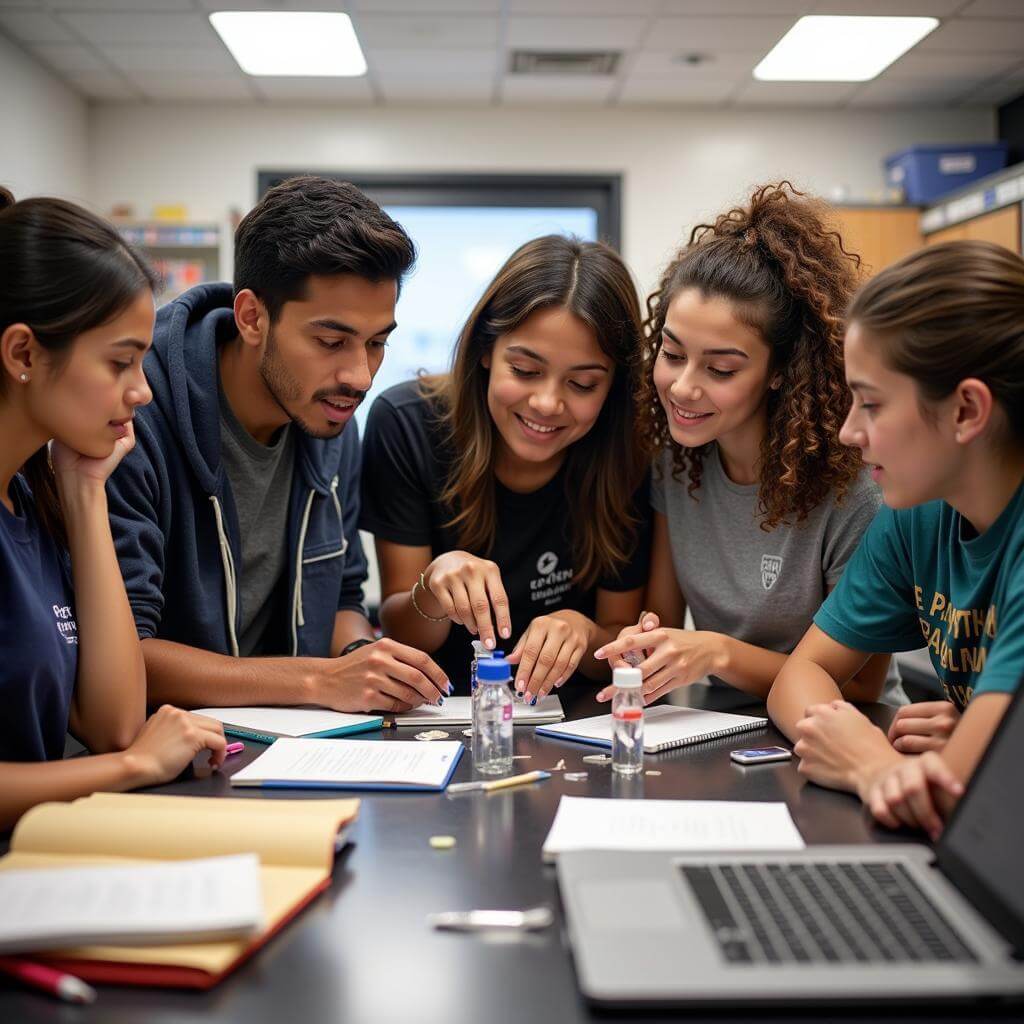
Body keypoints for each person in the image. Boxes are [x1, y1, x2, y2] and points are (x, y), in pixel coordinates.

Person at [106, 176, 449, 714]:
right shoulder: (134, 415)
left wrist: (363, 658)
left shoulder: (333, 418)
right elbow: (122, 654)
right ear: (252, 318)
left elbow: (341, 598)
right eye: (331, 342)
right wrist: (317, 680)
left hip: (286, 744)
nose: (360, 376)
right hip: (166, 752)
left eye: (378, 342)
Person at [593, 183, 893, 704]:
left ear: (780, 370)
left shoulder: (855, 490)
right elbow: (660, 619)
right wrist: (644, 645)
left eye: (721, 368)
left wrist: (716, 653)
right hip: (723, 726)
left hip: (847, 727)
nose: (684, 387)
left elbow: (861, 684)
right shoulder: (675, 461)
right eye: (671, 353)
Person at [768, 240, 1024, 839]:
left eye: (872, 404)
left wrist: (869, 764)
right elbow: (798, 678)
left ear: (966, 410)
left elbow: (958, 807)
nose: (849, 431)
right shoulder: (920, 511)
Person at [0, 187, 226, 830]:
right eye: (120, 362)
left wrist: (84, 491)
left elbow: (114, 722)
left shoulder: (31, 494)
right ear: (23, 354)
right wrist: (133, 769)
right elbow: (127, 749)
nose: (143, 391)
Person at [360, 235, 651, 700]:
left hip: (574, 723)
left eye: (582, 383)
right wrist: (435, 585)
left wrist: (584, 633)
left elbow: (623, 650)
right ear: (486, 351)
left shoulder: (628, 451)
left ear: (614, 386)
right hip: (439, 714)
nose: (547, 403)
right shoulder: (406, 423)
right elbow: (404, 634)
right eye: (525, 370)